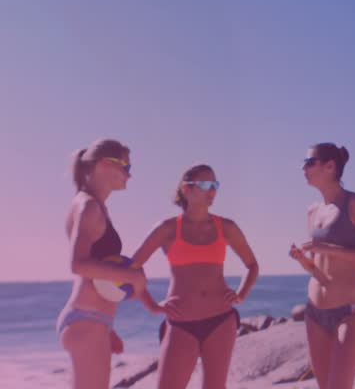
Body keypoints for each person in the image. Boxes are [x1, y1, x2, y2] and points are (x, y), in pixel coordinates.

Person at [131, 164, 259, 389]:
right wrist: (152, 306)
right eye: (206, 185)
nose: (212, 191)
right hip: (181, 323)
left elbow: (252, 265)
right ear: (186, 189)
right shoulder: (167, 228)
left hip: (221, 320)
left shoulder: (226, 227)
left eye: (215, 185)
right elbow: (132, 268)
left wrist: (241, 295)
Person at [289, 142, 355, 389]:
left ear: (330, 166)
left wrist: (329, 249)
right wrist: (303, 260)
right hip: (315, 312)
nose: (303, 168)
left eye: (309, 162)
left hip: (350, 312)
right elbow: (318, 268)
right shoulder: (312, 211)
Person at [58, 138, 147, 389]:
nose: (129, 175)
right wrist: (133, 277)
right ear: (104, 164)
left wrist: (108, 329)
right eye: (126, 167)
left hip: (93, 320)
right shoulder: (88, 206)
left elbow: (95, 270)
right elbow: (78, 264)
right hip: (87, 319)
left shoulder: (94, 205)